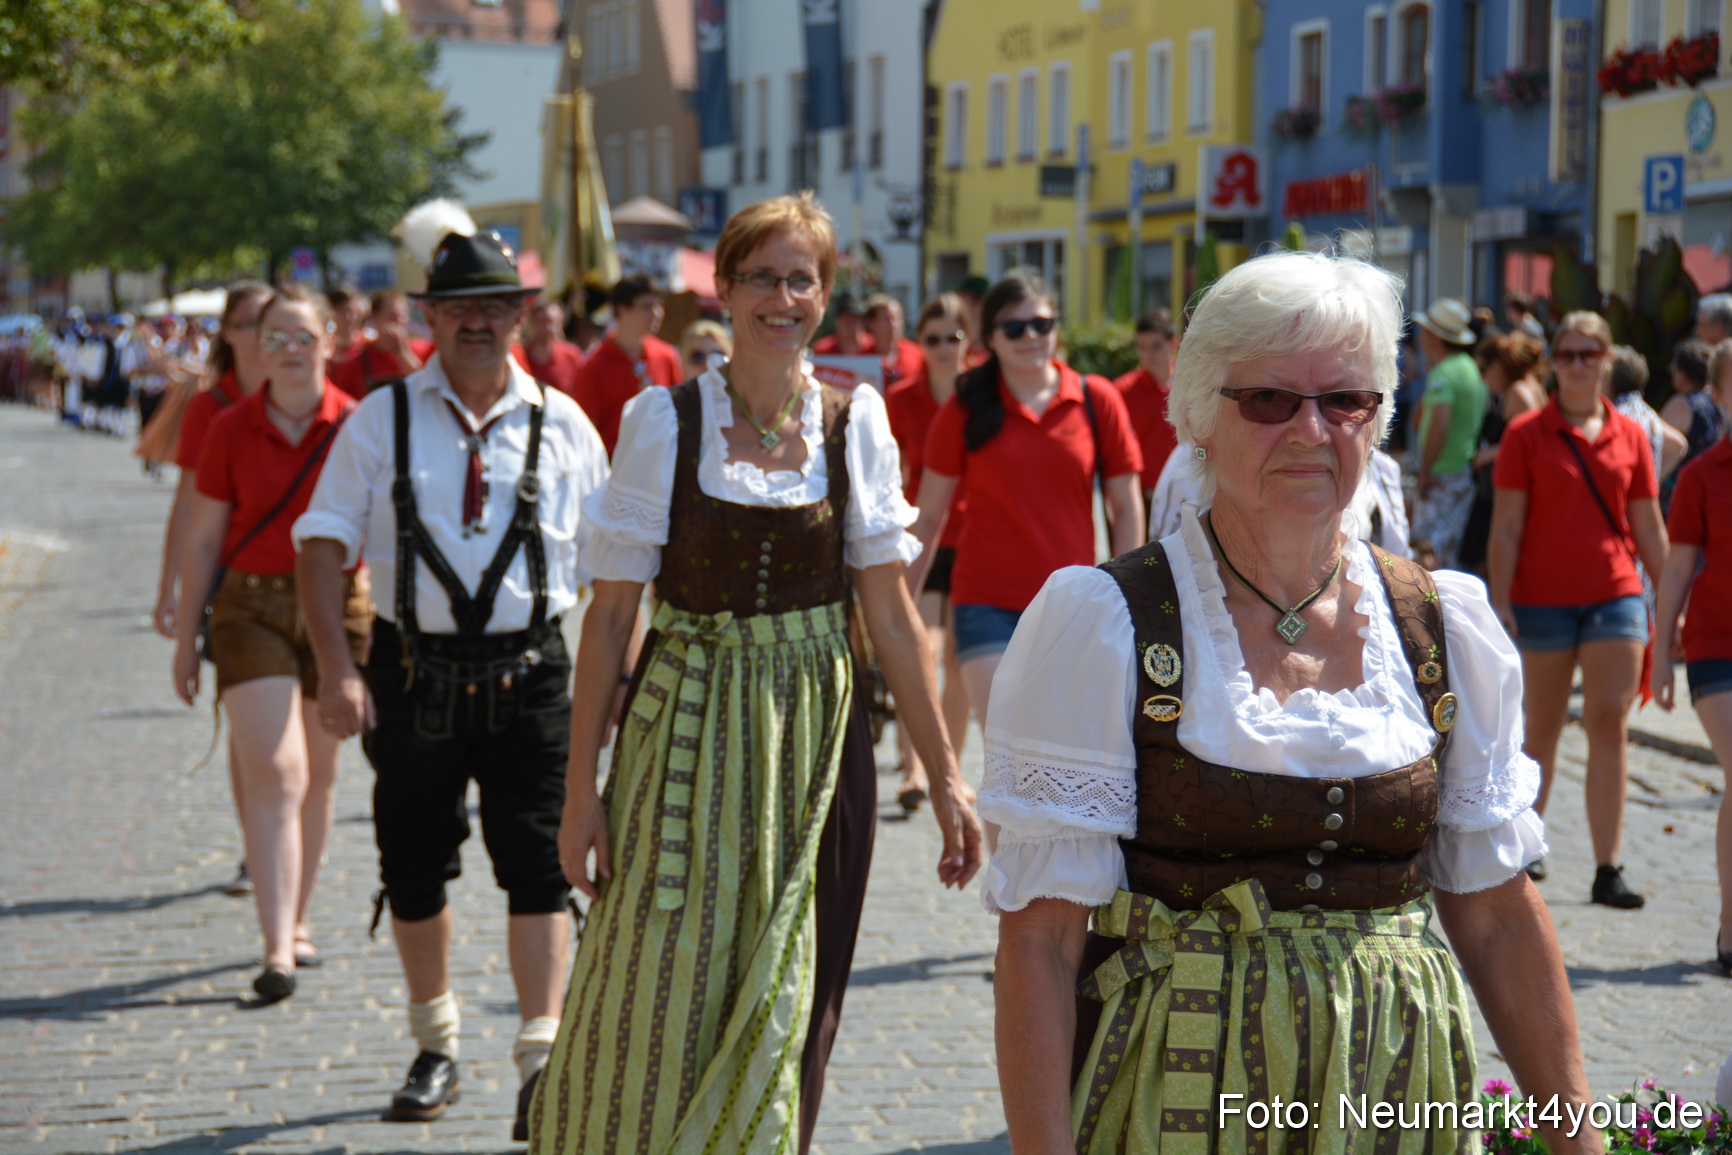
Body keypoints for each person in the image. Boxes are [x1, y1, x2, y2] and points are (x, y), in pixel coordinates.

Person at [985, 251, 1596, 1155]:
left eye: (1345, 400)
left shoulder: (1439, 624)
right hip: (1181, 1105)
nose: (1311, 429)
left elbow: (1500, 914)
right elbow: (1041, 944)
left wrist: (1578, 1142)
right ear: (1200, 415)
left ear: (1377, 420)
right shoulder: (1110, 621)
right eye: (1269, 399)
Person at [529, 193, 984, 1155]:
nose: (783, 298)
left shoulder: (855, 425)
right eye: (763, 278)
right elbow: (609, 620)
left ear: (824, 292)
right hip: (683, 734)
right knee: (657, 981)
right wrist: (581, 790)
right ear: (726, 292)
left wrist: (947, 778)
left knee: (799, 987)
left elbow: (892, 619)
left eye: (801, 279)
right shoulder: (664, 422)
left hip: (815, 741)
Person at [293, 229, 610, 1136]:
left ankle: (541, 1059)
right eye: (460, 306)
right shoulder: (380, 418)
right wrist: (336, 667)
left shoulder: (565, 423)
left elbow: (615, 572)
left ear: (520, 316)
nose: (479, 322)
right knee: (413, 862)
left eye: (495, 306)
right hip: (410, 670)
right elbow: (320, 544)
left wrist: (620, 687)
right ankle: (435, 1044)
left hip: (533, 670)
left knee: (542, 863)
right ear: (430, 316)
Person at [170, 286, 367, 1002]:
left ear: (329, 343)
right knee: (278, 770)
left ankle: (300, 916)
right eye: (274, 337)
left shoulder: (358, 424)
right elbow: (202, 539)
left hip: (337, 606)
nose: (288, 350)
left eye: (303, 337)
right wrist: (185, 639)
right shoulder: (229, 426)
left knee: (319, 774)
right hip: (249, 606)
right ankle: (277, 945)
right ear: (254, 346)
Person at [909, 270, 1145, 724]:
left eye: (1041, 324)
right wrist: (902, 604)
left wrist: (1127, 596)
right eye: (1014, 328)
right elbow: (929, 515)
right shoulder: (964, 406)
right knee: (1007, 734)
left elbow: (1127, 506)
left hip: (1074, 604)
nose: (1031, 337)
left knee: (1064, 738)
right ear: (990, 337)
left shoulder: (1096, 398)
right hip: (986, 601)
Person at [1489, 310, 1667, 906]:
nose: (1577, 365)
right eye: (1566, 354)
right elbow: (1506, 526)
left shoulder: (1631, 435)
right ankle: (1528, 846)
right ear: (1553, 363)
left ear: (1607, 361)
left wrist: (1671, 604)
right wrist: (1500, 600)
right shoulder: (1526, 434)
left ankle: (1608, 867)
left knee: (1609, 723)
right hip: (1541, 601)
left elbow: (1648, 527)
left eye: (1589, 354)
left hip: (1615, 595)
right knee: (1541, 729)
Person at [154, 281, 275, 899]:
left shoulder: (306, 392)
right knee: (250, 728)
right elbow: (187, 505)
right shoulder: (212, 405)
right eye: (248, 324)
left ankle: (287, 844)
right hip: (232, 584)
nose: (260, 337)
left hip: (304, 580)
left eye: (269, 323)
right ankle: (259, 850)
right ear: (228, 332)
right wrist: (170, 590)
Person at [1652, 349, 1732, 978]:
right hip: (1715, 646)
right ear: (1719, 396)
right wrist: (1660, 657)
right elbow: (1677, 568)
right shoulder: (1704, 475)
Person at [884, 293, 973, 811]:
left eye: (952, 337)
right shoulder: (901, 399)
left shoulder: (981, 394)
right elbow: (888, 471)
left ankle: (951, 771)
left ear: (968, 340)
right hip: (920, 535)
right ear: (920, 342)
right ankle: (913, 768)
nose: (943, 347)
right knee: (919, 647)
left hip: (974, 535)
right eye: (932, 338)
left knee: (959, 660)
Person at [1459, 331, 1548, 574]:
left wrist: (1488, 454)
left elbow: (1535, 441)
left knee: (1488, 563)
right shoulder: (1526, 386)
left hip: (1503, 495)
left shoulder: (1519, 391)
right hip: (1497, 490)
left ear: (1497, 366)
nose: (1482, 379)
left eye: (1483, 370)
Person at [1411, 298, 1489, 570]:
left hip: (1440, 474)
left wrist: (1425, 472)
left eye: (1424, 330)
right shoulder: (1469, 367)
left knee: (1427, 556)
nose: (1420, 336)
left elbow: (1438, 424)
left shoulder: (1444, 372)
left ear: (1434, 336)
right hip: (1461, 471)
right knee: (1449, 554)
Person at [570, 274, 682, 456]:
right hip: (612, 465)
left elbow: (678, 415)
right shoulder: (594, 365)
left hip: (660, 462)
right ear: (621, 310)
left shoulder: (667, 356)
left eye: (659, 306)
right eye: (647, 306)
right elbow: (583, 431)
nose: (657, 313)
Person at [1113, 308, 1180, 503]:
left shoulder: (1193, 386)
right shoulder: (1122, 391)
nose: (1148, 354)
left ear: (1173, 343)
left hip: (1185, 496)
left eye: (1156, 346)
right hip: (1140, 498)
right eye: (1141, 347)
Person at [329, 291, 433, 399]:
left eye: (403, 316)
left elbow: (428, 386)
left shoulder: (424, 350)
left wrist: (402, 352)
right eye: (392, 316)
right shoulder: (357, 361)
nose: (399, 321)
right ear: (375, 319)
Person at [1658, 337, 1722, 509]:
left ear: (1681, 373)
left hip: (1678, 497)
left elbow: (1655, 443)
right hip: (1708, 490)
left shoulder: (1682, 404)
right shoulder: (1716, 402)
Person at [1607, 346, 1686, 484]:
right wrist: (1652, 481)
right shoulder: (1645, 412)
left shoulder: (1618, 414)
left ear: (1610, 380)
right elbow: (1678, 445)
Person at [514, 297, 585, 399]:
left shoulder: (572, 355)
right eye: (542, 322)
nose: (548, 328)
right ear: (531, 323)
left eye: (552, 322)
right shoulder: (519, 355)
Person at [864, 292, 924, 388]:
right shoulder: (862, 358)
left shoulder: (918, 354)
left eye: (898, 318)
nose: (894, 324)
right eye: (888, 319)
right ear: (871, 323)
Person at [810, 290, 875, 356]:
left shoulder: (876, 347)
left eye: (854, 319)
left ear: (862, 320)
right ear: (836, 321)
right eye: (845, 319)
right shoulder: (821, 350)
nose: (849, 324)